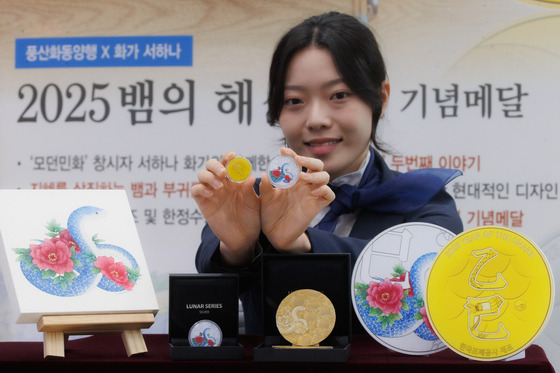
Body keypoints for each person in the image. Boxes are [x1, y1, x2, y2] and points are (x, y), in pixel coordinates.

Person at [193, 11, 463, 334]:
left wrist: (301, 244)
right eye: (294, 100)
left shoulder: (423, 202)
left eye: (338, 95)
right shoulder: (255, 201)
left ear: (380, 97)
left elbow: (427, 285)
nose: (316, 119)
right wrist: (238, 248)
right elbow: (211, 293)